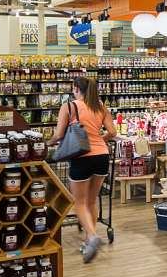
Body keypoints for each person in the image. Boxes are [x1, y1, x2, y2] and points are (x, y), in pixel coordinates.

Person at [47, 76, 116, 263]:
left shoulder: (69, 107)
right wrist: (98, 142)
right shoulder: (101, 107)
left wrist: (47, 144)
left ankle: (92, 237)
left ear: (77, 88)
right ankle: (88, 240)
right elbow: (112, 132)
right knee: (92, 202)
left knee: (79, 202)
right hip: (102, 157)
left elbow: (59, 134)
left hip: (81, 157)